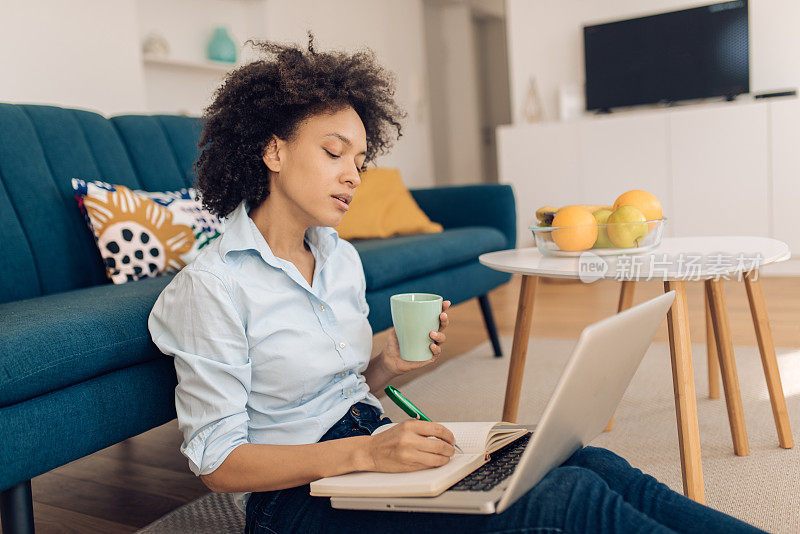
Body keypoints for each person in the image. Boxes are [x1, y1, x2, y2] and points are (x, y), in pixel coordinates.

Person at [148, 33, 765, 534]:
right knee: (566, 500)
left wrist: (384, 364)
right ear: (272, 150)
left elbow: (329, 391)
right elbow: (219, 465)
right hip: (294, 503)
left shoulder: (337, 259)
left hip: (373, 448)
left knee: (589, 461)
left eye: (360, 162)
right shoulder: (216, 287)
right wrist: (366, 454)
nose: (352, 176)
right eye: (334, 153)